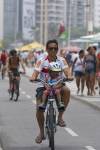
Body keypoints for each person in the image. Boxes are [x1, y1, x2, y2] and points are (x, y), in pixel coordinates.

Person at [30, 39, 72, 144]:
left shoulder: (62, 60)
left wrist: (69, 76)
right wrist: (33, 77)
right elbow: (35, 72)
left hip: (58, 85)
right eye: (50, 48)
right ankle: (41, 133)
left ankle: (60, 117)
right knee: (39, 109)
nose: (53, 50)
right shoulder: (42, 60)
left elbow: (67, 71)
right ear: (47, 49)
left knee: (66, 90)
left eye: (55, 48)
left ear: (57, 49)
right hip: (44, 86)